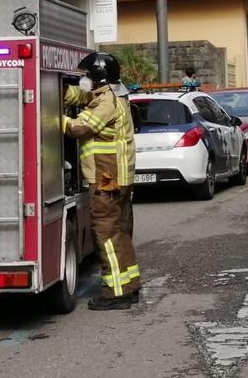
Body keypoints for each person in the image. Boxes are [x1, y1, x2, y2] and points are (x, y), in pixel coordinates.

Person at [63, 52, 140, 310]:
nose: (84, 81)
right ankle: (129, 286)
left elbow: (79, 128)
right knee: (119, 232)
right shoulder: (114, 95)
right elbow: (83, 96)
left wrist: (49, 115)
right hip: (118, 178)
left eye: (87, 76)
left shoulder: (106, 102)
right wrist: (62, 92)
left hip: (106, 178)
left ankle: (116, 294)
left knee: (106, 232)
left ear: (98, 78)